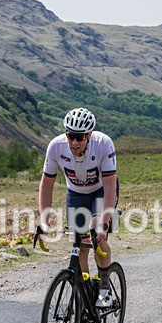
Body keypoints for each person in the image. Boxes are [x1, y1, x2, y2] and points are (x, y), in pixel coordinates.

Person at [39, 108, 118, 308]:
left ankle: (105, 287)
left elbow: (110, 187)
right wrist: (43, 222)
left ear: (89, 135)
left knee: (96, 238)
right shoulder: (56, 147)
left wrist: (104, 223)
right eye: (70, 136)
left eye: (80, 137)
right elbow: (46, 185)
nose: (74, 142)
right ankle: (84, 290)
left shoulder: (103, 144)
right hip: (75, 194)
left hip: (101, 192)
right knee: (79, 246)